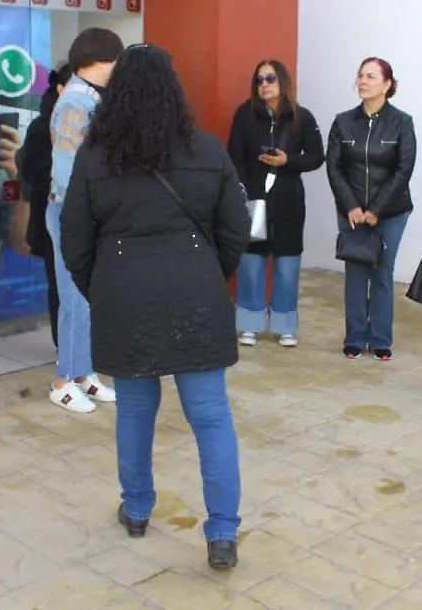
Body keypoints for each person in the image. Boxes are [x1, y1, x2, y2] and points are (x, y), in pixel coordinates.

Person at [59, 43, 251, 569]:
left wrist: (102, 288)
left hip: (125, 296)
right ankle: (222, 532)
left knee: (137, 412)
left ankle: (138, 508)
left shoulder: (95, 157)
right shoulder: (208, 150)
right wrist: (210, 274)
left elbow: (73, 238)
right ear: (172, 88)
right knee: (211, 417)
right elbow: (236, 230)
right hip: (196, 295)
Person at [47, 28, 124, 413]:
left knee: (88, 297)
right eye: (116, 60)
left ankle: (85, 372)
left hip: (82, 212)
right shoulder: (77, 101)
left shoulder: (89, 98)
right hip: (71, 212)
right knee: (76, 298)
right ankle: (63, 380)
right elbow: (67, 170)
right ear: (102, 60)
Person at [226, 60, 324, 347]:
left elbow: (317, 157)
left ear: (283, 81)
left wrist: (288, 161)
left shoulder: (301, 117)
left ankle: (284, 325)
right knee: (252, 263)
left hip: (288, 202)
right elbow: (234, 155)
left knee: (286, 265)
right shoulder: (245, 114)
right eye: (259, 80)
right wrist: (243, 191)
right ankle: (249, 323)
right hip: (253, 200)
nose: (264, 84)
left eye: (270, 78)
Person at [325, 57, 416, 361]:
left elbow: (403, 170)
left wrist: (376, 208)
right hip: (351, 211)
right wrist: (351, 205)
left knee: (381, 272)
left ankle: (379, 339)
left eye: (371, 76)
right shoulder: (343, 121)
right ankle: (354, 336)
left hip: (390, 212)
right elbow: (334, 167)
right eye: (361, 76)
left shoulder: (402, 122)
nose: (363, 81)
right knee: (355, 271)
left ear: (387, 85)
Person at [11, 63, 73, 348]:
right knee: (61, 288)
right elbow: (40, 178)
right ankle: (68, 352)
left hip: (88, 225)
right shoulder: (43, 127)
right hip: (56, 225)